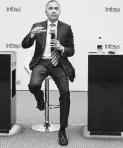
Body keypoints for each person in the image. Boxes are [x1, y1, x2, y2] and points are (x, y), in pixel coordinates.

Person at [21, 0, 75, 146]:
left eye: (56, 8)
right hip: (41, 62)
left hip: (58, 64)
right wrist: (31, 35)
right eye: (50, 8)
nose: (53, 11)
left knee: (65, 93)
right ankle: (40, 99)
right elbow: (24, 44)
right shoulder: (37, 26)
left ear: (59, 11)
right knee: (33, 85)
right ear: (46, 12)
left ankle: (62, 129)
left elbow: (72, 50)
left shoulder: (66, 28)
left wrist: (62, 48)